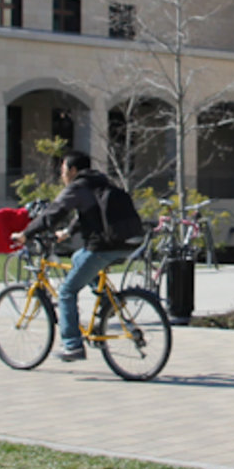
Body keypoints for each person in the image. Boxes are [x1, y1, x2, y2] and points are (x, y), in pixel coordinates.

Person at [14, 152, 139, 361]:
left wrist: (25, 234)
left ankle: (72, 345)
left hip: (102, 248)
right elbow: (87, 214)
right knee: (76, 258)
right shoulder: (100, 183)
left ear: (72, 171)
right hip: (125, 243)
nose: (62, 176)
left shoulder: (78, 187)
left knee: (65, 291)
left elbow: (53, 212)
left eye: (63, 171)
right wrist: (67, 233)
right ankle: (109, 305)